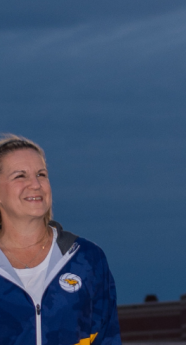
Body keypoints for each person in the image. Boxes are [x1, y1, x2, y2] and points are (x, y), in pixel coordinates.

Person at [0, 135, 121, 345]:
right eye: (20, 176)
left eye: (41, 174)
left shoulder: (87, 260)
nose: (36, 184)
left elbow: (107, 339)